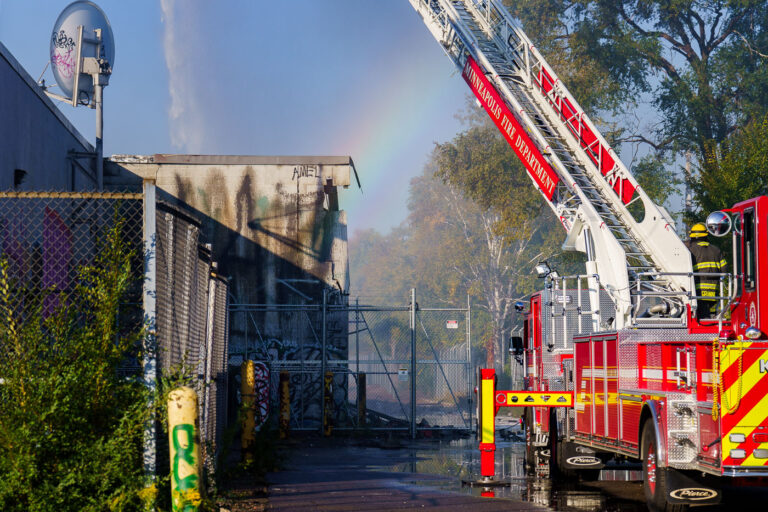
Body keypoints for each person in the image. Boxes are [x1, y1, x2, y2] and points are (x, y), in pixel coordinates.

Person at [685, 223, 727, 319]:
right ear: (706, 235)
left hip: (697, 292)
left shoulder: (691, 250)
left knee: (701, 316)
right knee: (706, 313)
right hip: (714, 293)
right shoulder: (716, 250)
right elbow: (724, 270)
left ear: (692, 237)